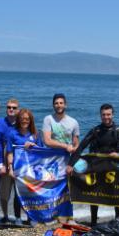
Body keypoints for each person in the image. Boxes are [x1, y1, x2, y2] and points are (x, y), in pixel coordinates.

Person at [67, 103, 119, 226]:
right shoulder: (96, 130)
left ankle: (118, 220)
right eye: (104, 115)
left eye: (108, 114)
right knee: (94, 192)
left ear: (113, 114)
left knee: (116, 193)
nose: (106, 117)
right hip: (98, 166)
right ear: (100, 116)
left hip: (114, 167)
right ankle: (94, 221)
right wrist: (71, 164)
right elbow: (81, 147)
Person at [42, 93, 80, 223]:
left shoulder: (73, 122)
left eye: (61, 103)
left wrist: (73, 157)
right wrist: (64, 145)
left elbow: (76, 144)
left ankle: (69, 217)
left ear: (65, 104)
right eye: (56, 103)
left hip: (66, 161)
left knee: (67, 189)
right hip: (51, 160)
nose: (59, 105)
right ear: (53, 105)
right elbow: (47, 140)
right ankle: (51, 216)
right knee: (51, 188)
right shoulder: (48, 119)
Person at [7, 108, 44, 224]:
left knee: (31, 194)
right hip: (18, 169)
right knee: (18, 194)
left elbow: (41, 152)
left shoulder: (36, 134)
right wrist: (10, 168)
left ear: (30, 120)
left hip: (32, 169)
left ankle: (31, 217)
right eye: (22, 119)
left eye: (27, 119)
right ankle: (18, 217)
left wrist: (33, 146)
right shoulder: (12, 133)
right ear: (19, 119)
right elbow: (9, 152)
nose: (24, 121)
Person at [0, 98, 19, 223]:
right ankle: (5, 216)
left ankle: (20, 217)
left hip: (20, 163)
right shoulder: (0, 123)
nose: (11, 109)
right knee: (4, 193)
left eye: (14, 107)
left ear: (18, 110)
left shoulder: (22, 123)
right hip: (4, 163)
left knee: (20, 193)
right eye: (9, 107)